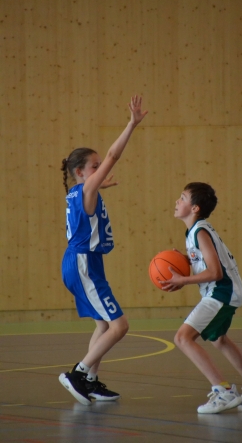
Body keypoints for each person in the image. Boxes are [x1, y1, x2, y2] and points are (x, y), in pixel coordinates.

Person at [59, 95, 148, 405]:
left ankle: (91, 381)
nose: (100, 170)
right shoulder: (85, 189)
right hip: (83, 263)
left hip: (84, 262)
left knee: (103, 324)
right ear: (81, 173)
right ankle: (79, 373)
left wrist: (100, 185)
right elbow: (113, 154)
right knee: (120, 326)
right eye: (95, 168)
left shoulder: (77, 191)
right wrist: (131, 124)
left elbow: (88, 195)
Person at [160, 182, 242, 414]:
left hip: (221, 290)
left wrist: (182, 280)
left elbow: (215, 272)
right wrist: (185, 261)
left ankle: (223, 391)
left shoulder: (200, 231)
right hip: (227, 290)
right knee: (218, 339)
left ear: (195, 208)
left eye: (182, 198)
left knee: (182, 338)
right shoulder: (196, 231)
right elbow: (209, 263)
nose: (177, 201)